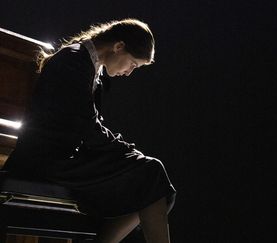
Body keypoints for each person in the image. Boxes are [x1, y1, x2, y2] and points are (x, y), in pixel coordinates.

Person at [2, 18, 176, 243]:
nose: (129, 72)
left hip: (64, 158)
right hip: (46, 161)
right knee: (151, 174)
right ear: (118, 47)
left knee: (153, 180)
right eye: (132, 64)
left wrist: (125, 152)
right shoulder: (73, 61)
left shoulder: (89, 67)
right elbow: (87, 126)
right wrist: (125, 151)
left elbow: (89, 126)